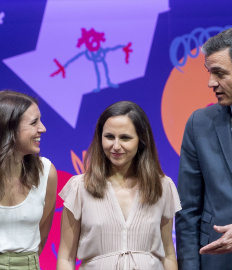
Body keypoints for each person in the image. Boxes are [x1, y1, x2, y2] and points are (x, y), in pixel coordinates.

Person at [175, 26, 232, 270]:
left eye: (219, 73)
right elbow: (188, 211)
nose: (210, 82)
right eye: (209, 72)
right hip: (214, 263)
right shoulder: (199, 123)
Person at [57, 101, 181, 270]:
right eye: (109, 137)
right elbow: (66, 258)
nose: (116, 146)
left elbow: (168, 254)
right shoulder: (79, 187)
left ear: (141, 140)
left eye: (125, 138)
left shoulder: (162, 187)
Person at [0, 90, 57, 269]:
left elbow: (42, 234)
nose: (43, 128)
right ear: (9, 128)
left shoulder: (46, 172)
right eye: (34, 123)